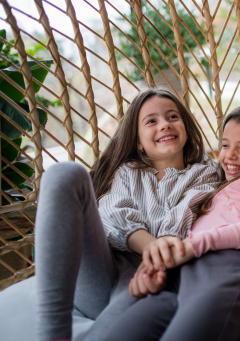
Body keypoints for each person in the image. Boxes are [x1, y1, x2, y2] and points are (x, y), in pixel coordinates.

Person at [32, 88, 221, 341]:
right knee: (64, 174)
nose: (165, 124)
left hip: (149, 278)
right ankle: (52, 332)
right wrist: (152, 246)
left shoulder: (205, 172)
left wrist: (158, 258)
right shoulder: (128, 172)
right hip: (102, 270)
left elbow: (184, 213)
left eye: (173, 117)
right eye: (152, 121)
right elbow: (111, 212)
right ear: (138, 142)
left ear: (186, 128)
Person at [100, 102, 240, 341]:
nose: (229, 155)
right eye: (225, 145)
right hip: (181, 276)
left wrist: (196, 244)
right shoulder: (218, 184)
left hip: (226, 268)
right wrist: (158, 269)